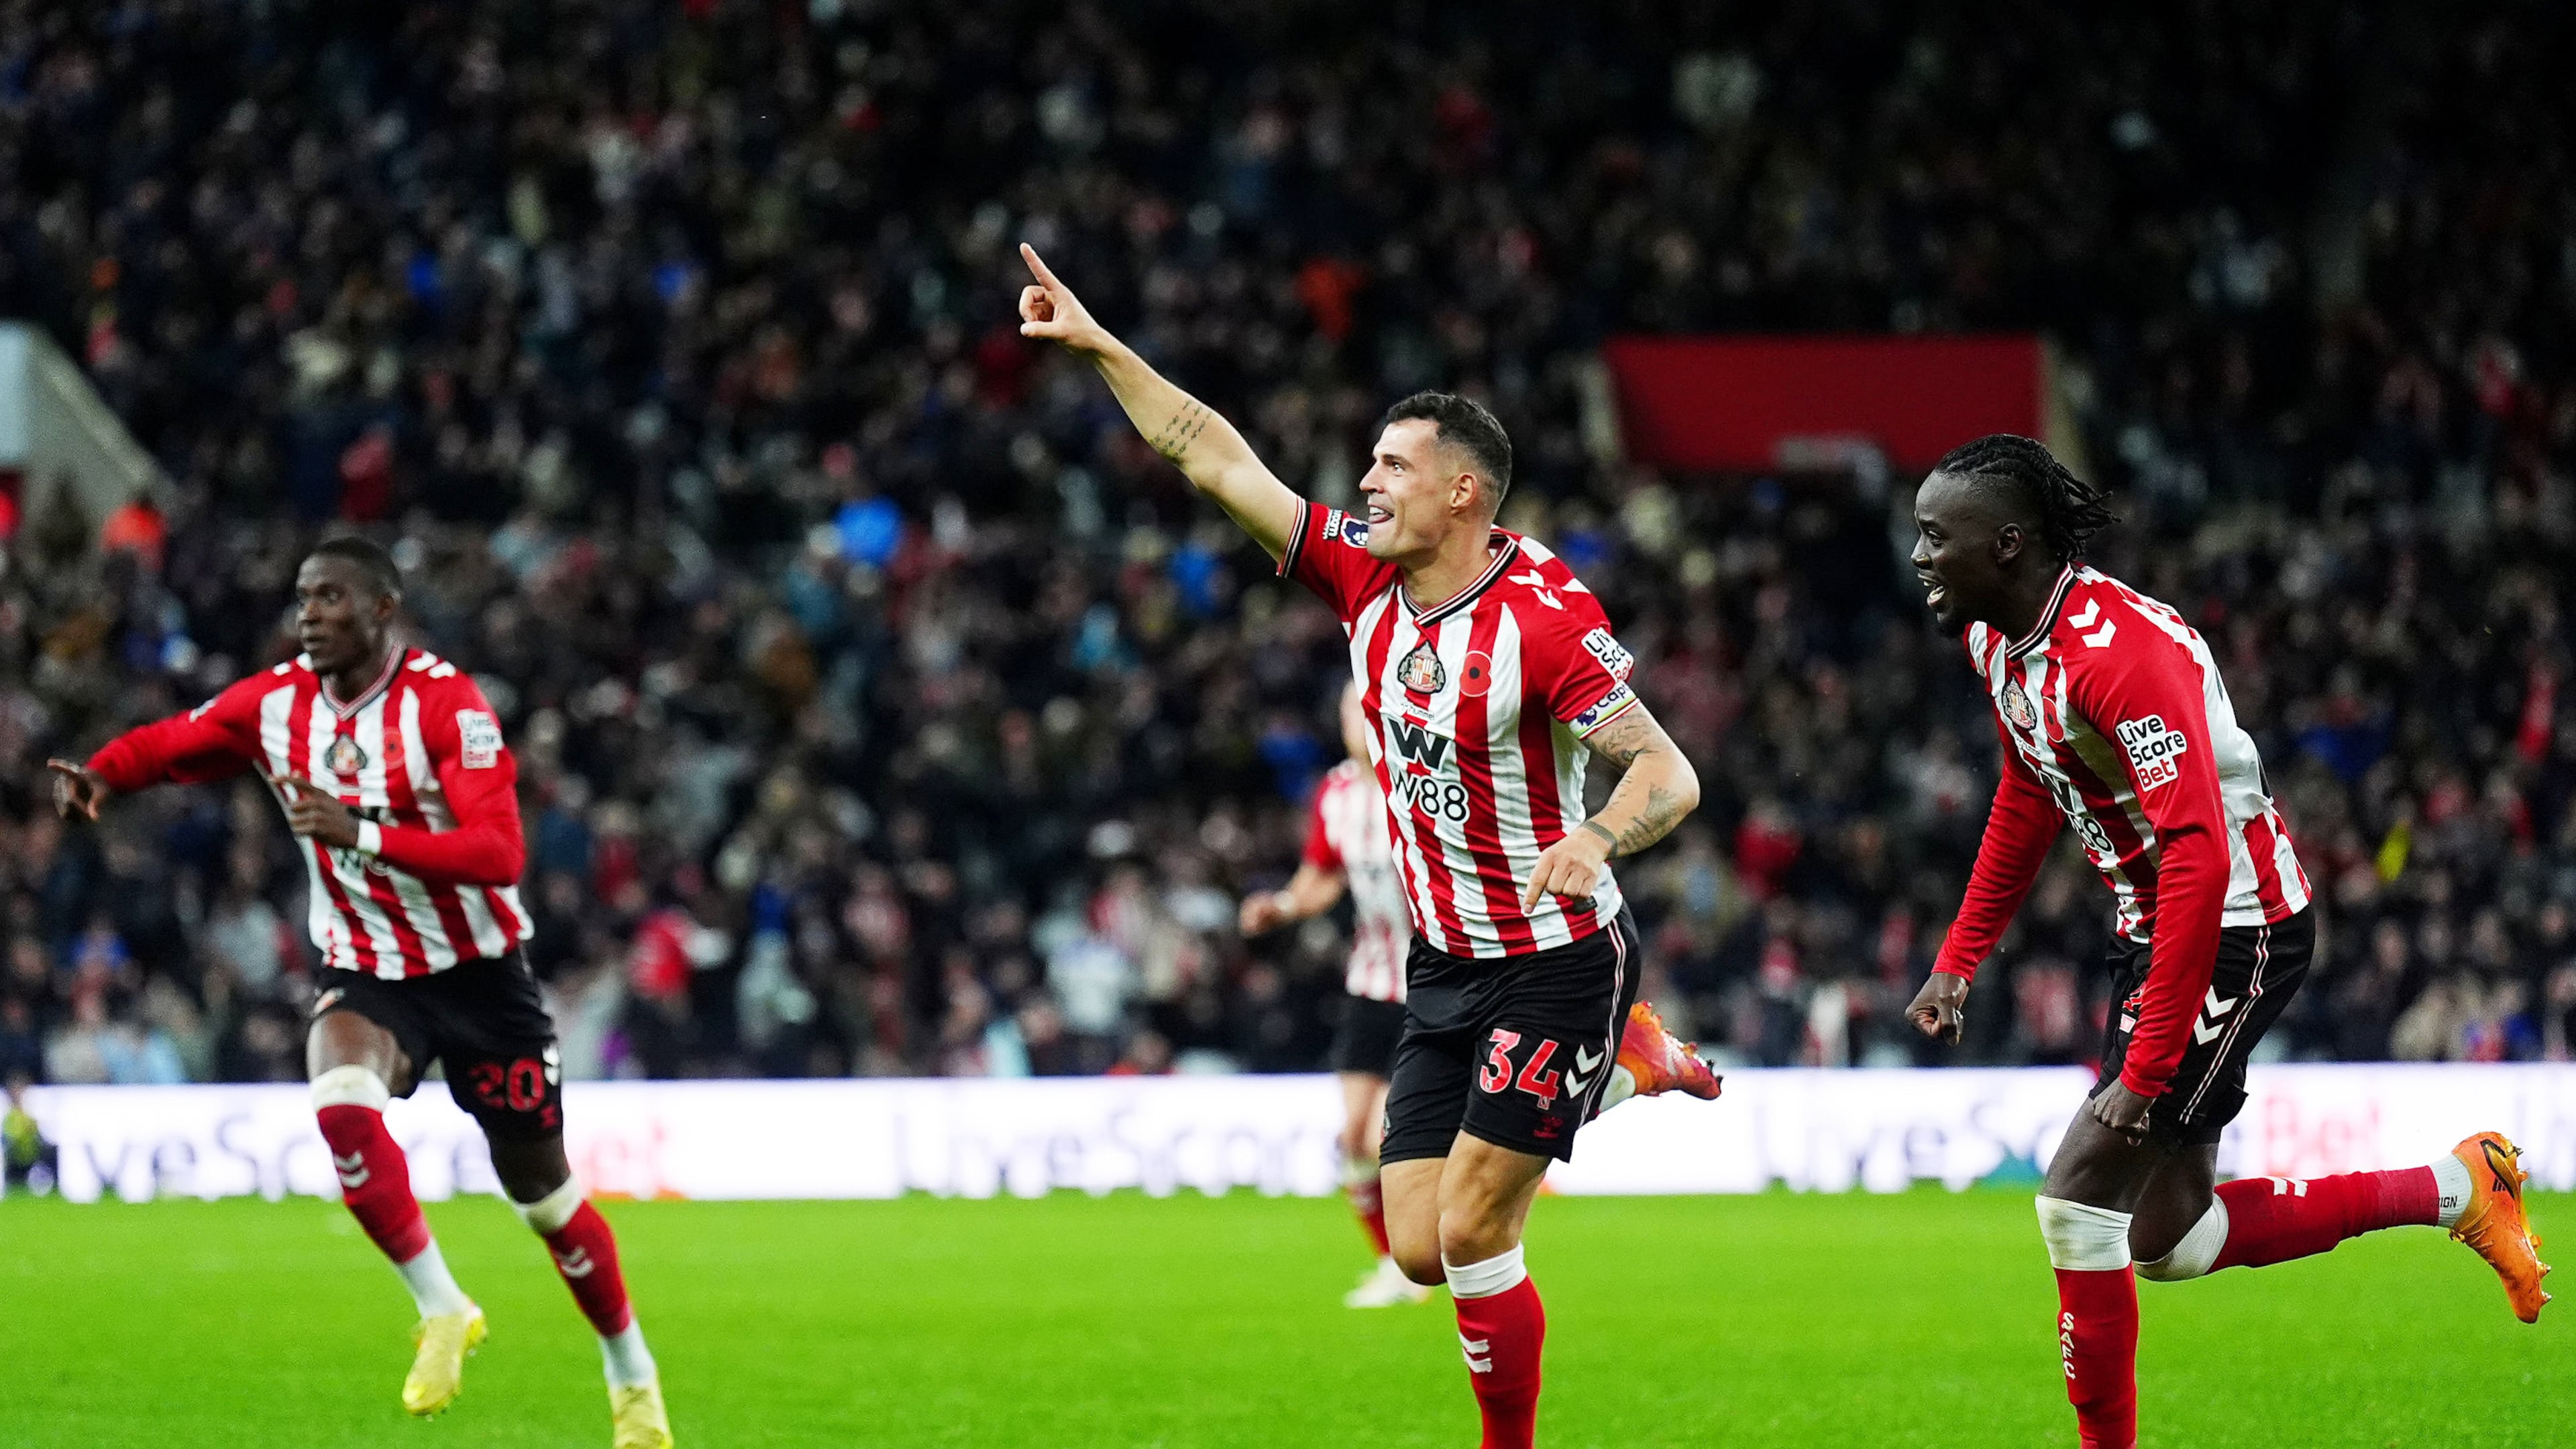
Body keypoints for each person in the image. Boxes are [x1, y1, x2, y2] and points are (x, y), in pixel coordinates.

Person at [1022, 244, 1721, 1448]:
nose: (1366, 480)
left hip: (1556, 956)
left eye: (1395, 465)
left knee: (1475, 1232)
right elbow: (1209, 453)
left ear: (1464, 493)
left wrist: (1599, 837)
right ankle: (1623, 1072)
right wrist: (1099, 348)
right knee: (1413, 1245)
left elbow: (1669, 771)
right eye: (1371, 462)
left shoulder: (1545, 625)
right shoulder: (1362, 576)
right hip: (1439, 967)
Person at [1902, 435, 2549, 1449]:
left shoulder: (2123, 657)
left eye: (1937, 537)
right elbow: (2030, 788)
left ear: (2009, 544)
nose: (1920, 557)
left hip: (2234, 930)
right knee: (2169, 1240)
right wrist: (1959, 955)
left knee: (2076, 1201)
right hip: (2158, 927)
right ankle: (2461, 1185)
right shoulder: (2001, 644)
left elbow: (2200, 854)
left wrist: (2150, 1062)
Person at [48, 537, 674, 1449]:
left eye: (331, 597)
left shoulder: (446, 706)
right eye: (303, 597)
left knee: (544, 1199)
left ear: (383, 610)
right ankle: (445, 1308)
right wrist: (102, 774)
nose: (309, 614)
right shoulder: (277, 704)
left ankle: (631, 1371)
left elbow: (501, 854)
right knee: (340, 1104)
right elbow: (175, 743)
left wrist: (362, 834)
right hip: (369, 969)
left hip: (481, 981)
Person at [1240, 682, 1428, 1308]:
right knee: (1351, 1137)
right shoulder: (1339, 793)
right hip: (1371, 981)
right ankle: (1391, 1265)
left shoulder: (1424, 786)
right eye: (1350, 709)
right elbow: (1323, 876)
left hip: (1434, 984)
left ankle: (1427, 1255)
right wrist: (1285, 905)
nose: (1359, 719)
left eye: (1368, 707)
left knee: (1383, 1135)